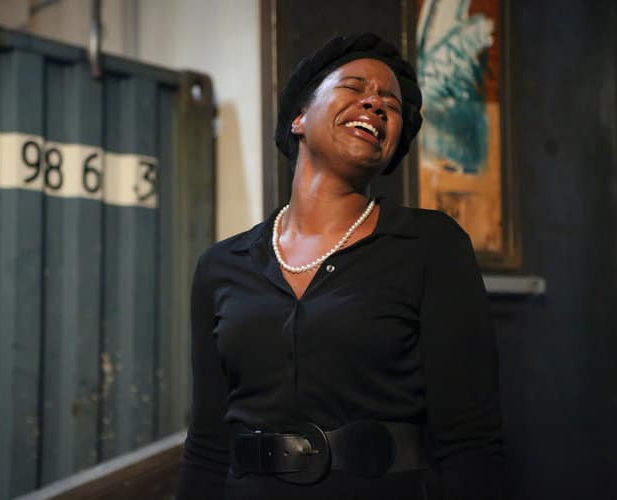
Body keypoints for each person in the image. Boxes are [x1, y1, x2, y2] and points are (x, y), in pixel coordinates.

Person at [176, 33, 503, 500]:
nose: (375, 103)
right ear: (299, 118)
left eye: (390, 104)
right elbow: (207, 445)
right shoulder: (221, 266)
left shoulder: (430, 246)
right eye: (354, 87)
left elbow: (470, 440)